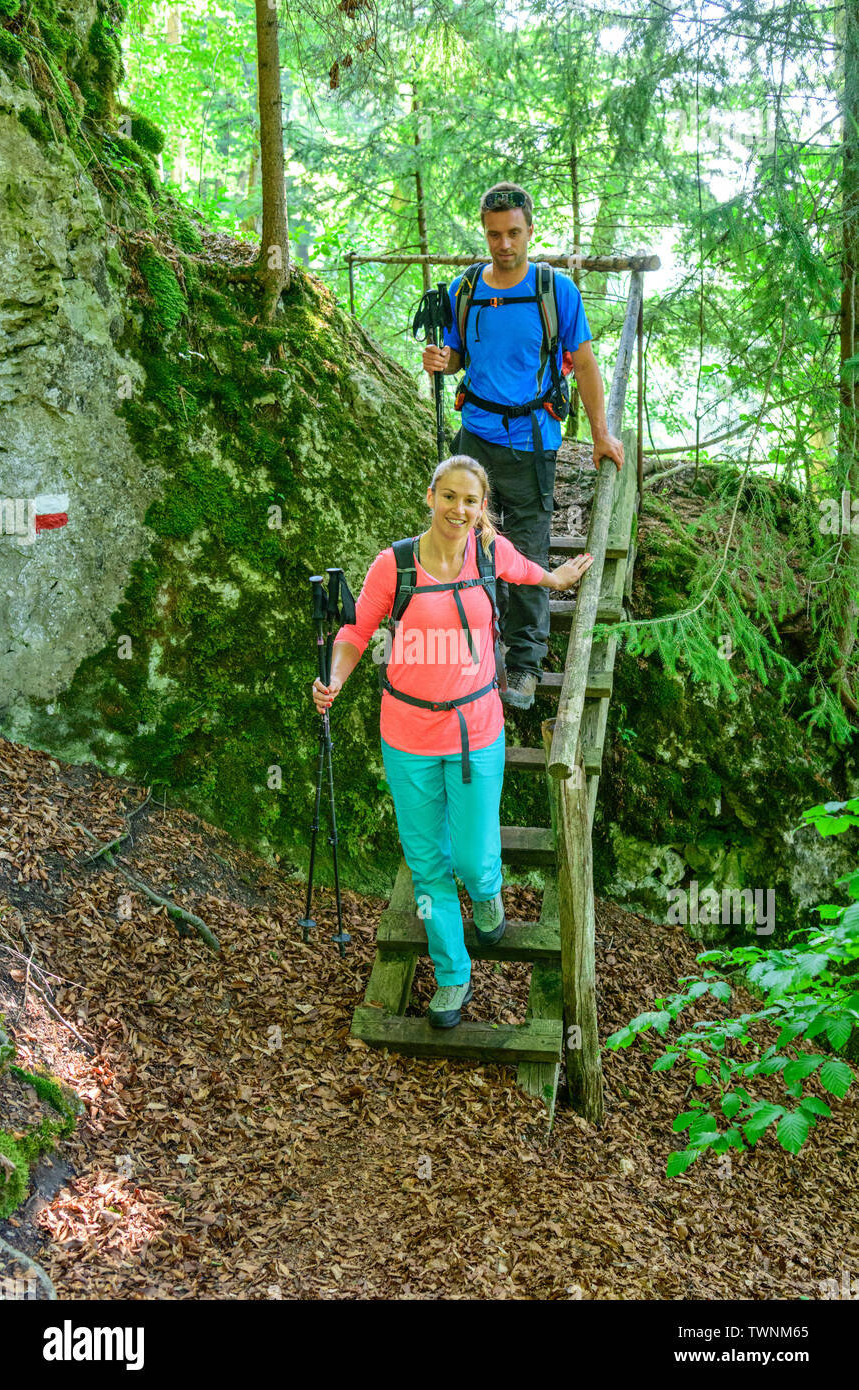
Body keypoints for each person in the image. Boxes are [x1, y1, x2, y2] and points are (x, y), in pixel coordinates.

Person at [311, 454, 593, 1029]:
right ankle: (452, 974)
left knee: (470, 855)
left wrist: (557, 578)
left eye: (470, 500)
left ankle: (488, 889)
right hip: (407, 733)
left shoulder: (489, 552)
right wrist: (335, 678)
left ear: (482, 506)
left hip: (477, 730)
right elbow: (356, 629)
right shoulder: (396, 564)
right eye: (449, 497)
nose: (458, 509)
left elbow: (527, 572)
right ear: (431, 496)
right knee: (427, 864)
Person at [422, 180, 624, 712]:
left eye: (513, 233)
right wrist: (445, 362)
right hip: (475, 441)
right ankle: (478, 649)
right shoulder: (465, 290)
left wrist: (601, 433)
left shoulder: (556, 291)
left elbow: (583, 363)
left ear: (530, 231)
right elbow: (460, 355)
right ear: (484, 234)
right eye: (494, 234)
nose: (504, 244)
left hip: (534, 443)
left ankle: (527, 665)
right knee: (469, 547)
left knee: (530, 553)